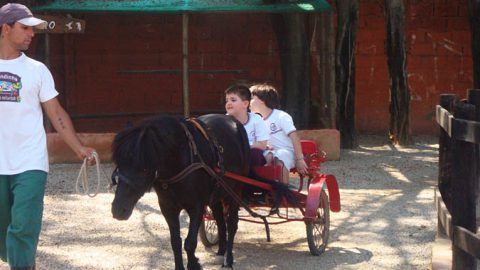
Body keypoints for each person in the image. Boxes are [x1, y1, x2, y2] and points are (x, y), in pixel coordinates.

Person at [0, 3, 96, 270]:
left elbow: (55, 113)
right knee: (5, 233)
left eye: (33, 29)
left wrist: (78, 148)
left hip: (30, 162)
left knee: (23, 225)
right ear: (5, 28)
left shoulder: (37, 70)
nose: (32, 34)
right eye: (25, 28)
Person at [249, 83, 308, 184]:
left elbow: (294, 136)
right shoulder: (256, 120)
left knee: (280, 156)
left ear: (262, 100)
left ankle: (283, 192)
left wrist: (299, 159)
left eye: (251, 98)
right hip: (270, 152)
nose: (249, 102)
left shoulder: (281, 116)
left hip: (287, 152)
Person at [224, 83, 269, 167]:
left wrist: (242, 147)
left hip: (251, 156)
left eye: (233, 100)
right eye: (227, 100)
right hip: (232, 156)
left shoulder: (256, 119)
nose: (228, 103)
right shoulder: (223, 122)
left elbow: (262, 145)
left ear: (245, 104)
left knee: (255, 154)